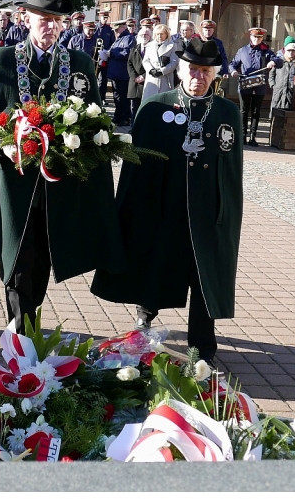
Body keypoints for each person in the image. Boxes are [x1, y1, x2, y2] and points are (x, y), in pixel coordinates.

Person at [0, 0, 124, 330]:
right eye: (42, 18)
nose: (50, 26)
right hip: (15, 182)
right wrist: (7, 143)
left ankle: (28, 320)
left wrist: (81, 146)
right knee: (18, 254)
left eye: (56, 20)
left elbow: (95, 122)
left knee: (43, 255)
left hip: (58, 184)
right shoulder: (3, 60)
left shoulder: (79, 62)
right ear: (26, 18)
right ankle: (20, 329)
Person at [92, 38, 242, 364]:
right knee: (155, 259)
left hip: (205, 210)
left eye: (205, 71)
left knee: (204, 274)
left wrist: (226, 214)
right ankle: (145, 317)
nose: (198, 76)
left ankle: (202, 346)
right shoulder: (156, 106)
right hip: (163, 203)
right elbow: (137, 165)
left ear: (214, 74)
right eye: (192, 69)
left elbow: (232, 174)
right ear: (181, 69)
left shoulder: (228, 112)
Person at [230, 27, 282, 146]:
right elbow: (232, 64)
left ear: (262, 38)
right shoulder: (242, 51)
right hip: (245, 85)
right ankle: (242, 136)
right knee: (243, 111)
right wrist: (233, 71)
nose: (256, 39)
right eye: (254, 37)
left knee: (256, 111)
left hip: (259, 86)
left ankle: (253, 137)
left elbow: (279, 61)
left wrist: (273, 62)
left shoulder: (266, 51)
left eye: (259, 38)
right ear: (250, 37)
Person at [105, 18, 136, 125]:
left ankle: (125, 118)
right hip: (116, 73)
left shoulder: (128, 38)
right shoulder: (119, 38)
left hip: (123, 74)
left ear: (123, 27)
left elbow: (127, 54)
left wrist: (111, 54)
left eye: (117, 30)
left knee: (123, 97)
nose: (115, 32)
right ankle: (118, 116)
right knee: (117, 96)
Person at [140, 23, 178, 102]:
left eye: (161, 34)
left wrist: (162, 71)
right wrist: (150, 70)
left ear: (166, 34)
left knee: (163, 102)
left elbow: (174, 62)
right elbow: (145, 60)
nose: (159, 36)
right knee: (149, 101)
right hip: (151, 78)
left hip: (165, 78)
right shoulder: (150, 45)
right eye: (157, 34)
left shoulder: (172, 45)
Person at [268, 38, 295, 119]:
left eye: (293, 50)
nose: (291, 53)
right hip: (278, 93)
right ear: (285, 51)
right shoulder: (279, 62)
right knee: (275, 117)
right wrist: (273, 85)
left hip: (290, 94)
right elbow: (271, 75)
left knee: (287, 118)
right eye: (289, 50)